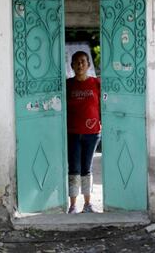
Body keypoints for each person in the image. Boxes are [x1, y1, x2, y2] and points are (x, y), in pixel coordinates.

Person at [66, 51, 101, 214]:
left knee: (86, 168)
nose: (80, 65)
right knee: (74, 168)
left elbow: (103, 104)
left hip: (92, 134)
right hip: (72, 133)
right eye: (76, 62)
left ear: (88, 65)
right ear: (72, 65)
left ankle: (87, 204)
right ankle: (72, 205)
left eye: (83, 62)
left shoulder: (96, 83)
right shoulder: (67, 85)